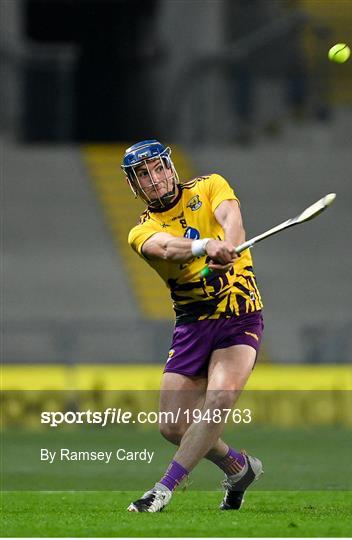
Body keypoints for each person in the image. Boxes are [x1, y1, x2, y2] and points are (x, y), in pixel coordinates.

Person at [122, 140, 264, 512]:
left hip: (239, 314)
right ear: (134, 186)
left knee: (218, 401)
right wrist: (205, 248)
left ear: (170, 167)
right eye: (143, 175)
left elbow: (232, 219)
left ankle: (163, 489)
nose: (154, 179)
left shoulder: (209, 185)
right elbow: (167, 249)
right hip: (193, 324)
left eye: (157, 168)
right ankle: (239, 467)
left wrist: (229, 248)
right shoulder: (141, 232)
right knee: (172, 427)